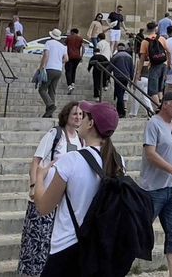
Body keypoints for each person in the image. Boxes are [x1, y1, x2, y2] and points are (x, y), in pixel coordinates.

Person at [34, 101, 126, 274]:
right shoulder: (119, 161)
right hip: (98, 246)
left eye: (84, 117)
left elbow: (43, 207)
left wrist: (39, 177)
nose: (80, 121)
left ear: (91, 124)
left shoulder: (72, 160)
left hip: (67, 245)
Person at [18, 103, 82, 277]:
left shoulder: (80, 140)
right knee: (35, 244)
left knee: (50, 246)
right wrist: (33, 185)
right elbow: (36, 162)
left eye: (81, 114)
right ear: (67, 115)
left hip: (62, 201)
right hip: (43, 195)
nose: (78, 117)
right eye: (74, 114)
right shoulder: (55, 134)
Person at [143, 92, 172, 277]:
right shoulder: (154, 123)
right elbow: (150, 153)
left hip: (171, 188)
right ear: (165, 105)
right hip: (154, 189)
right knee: (141, 228)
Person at [36, 29, 68, 118]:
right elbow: (66, 59)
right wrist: (58, 61)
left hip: (49, 68)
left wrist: (42, 67)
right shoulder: (63, 46)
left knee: (42, 89)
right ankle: (49, 113)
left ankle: (50, 105)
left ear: (51, 36)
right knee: (52, 91)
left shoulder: (49, 43)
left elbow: (46, 55)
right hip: (58, 70)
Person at [139, 22, 168, 107]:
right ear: (156, 28)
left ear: (147, 29)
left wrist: (138, 73)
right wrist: (170, 64)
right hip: (164, 64)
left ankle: (159, 108)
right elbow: (168, 52)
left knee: (152, 91)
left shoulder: (145, 41)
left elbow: (142, 59)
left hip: (154, 66)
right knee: (160, 89)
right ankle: (162, 105)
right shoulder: (162, 39)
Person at [110, 44, 136, 118]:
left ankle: (121, 112)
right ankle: (121, 110)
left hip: (118, 77)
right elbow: (132, 69)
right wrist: (131, 79)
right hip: (126, 77)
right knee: (122, 92)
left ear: (118, 49)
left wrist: (106, 78)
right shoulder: (129, 56)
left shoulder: (116, 56)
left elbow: (110, 67)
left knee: (119, 94)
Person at [87, 34, 111, 101]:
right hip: (106, 61)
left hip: (97, 66)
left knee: (96, 81)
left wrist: (89, 68)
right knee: (104, 75)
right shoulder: (107, 43)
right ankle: (105, 85)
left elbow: (90, 63)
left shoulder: (99, 44)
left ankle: (97, 95)